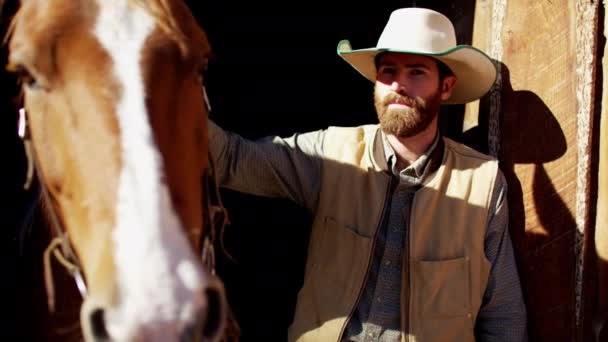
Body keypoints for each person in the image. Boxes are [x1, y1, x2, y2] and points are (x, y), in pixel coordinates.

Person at [208, 7, 527, 342]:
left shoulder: (483, 183)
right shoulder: (333, 154)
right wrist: (165, 97)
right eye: (389, 71)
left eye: (416, 72)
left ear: (446, 87)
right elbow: (232, 158)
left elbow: (503, 314)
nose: (398, 85)